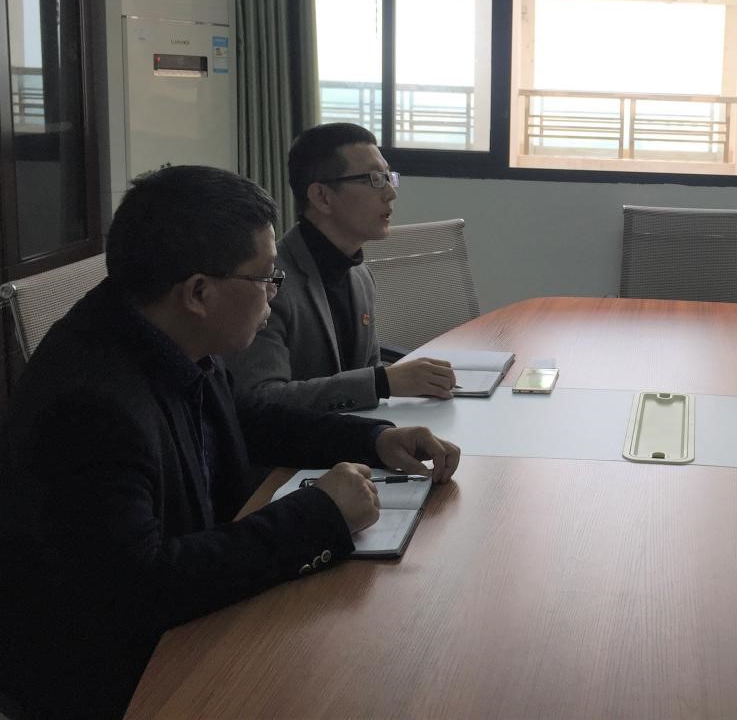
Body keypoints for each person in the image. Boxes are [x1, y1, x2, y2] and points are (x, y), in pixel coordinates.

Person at [0, 166, 461, 719]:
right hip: (118, 682)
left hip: (181, 627)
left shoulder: (163, 330)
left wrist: (375, 439)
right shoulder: (93, 403)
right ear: (199, 292)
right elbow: (139, 588)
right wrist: (318, 515)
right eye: (266, 278)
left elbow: (244, 420)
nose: (273, 294)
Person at [226, 123, 456, 412]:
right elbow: (260, 398)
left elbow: (365, 371)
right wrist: (380, 383)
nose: (390, 193)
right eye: (374, 179)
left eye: (388, 177)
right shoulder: (268, 283)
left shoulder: (359, 274)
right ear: (322, 197)